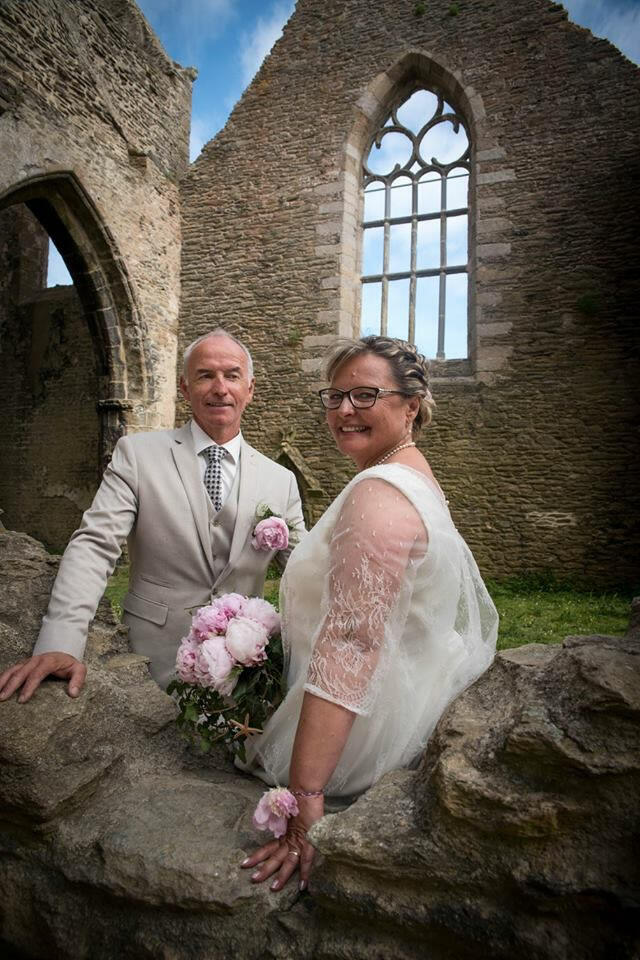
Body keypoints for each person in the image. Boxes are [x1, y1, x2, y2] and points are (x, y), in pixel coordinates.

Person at [241, 335, 498, 892]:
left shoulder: (380, 495)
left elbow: (353, 640)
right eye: (334, 396)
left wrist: (305, 798)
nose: (344, 410)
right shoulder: (412, 474)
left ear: (411, 406)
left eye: (365, 395)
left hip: (364, 732)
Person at [0, 329, 305, 701]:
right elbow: (95, 546)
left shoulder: (281, 481)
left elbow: (305, 574)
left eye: (232, 375)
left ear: (250, 388)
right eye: (205, 375)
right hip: (147, 667)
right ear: (184, 387)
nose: (220, 388)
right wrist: (60, 641)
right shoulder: (137, 455)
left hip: (243, 678)